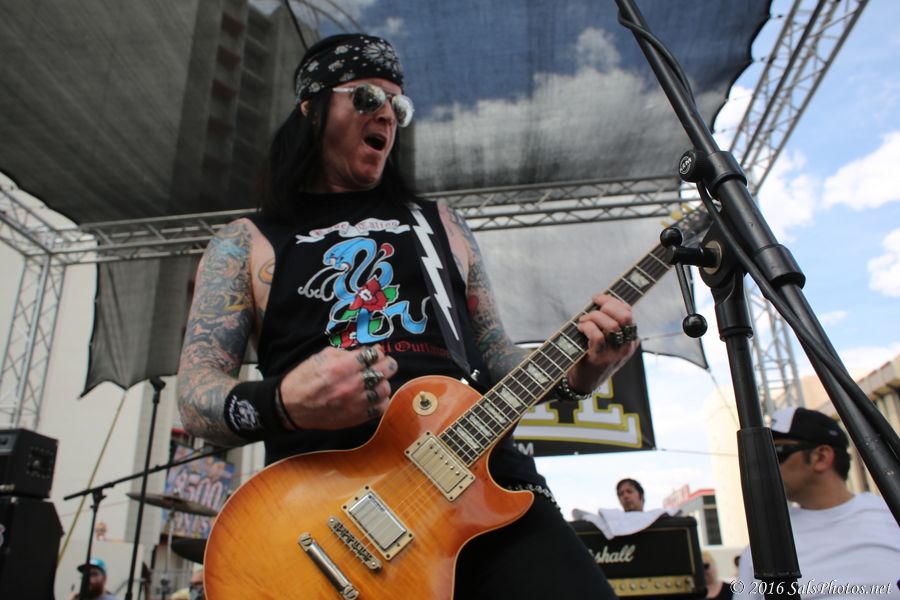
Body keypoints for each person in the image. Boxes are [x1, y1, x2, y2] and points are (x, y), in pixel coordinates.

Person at [177, 33, 639, 599]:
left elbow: (496, 356)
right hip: (331, 513)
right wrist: (283, 401)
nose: (386, 115)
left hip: (483, 484)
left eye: (398, 106)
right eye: (367, 97)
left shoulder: (441, 224)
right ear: (312, 108)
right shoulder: (245, 242)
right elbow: (195, 395)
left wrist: (580, 372)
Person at [734, 407, 900, 599]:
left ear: (821, 457)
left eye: (777, 453)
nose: (766, 465)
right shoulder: (762, 546)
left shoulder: (893, 516)